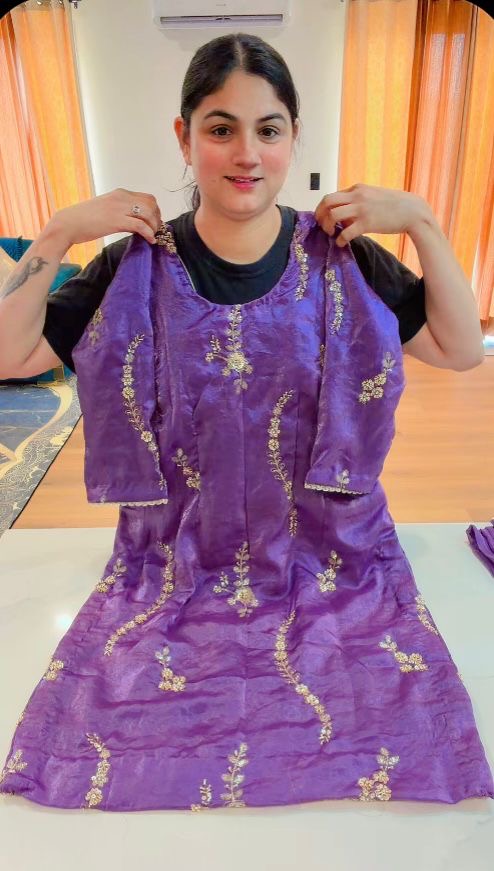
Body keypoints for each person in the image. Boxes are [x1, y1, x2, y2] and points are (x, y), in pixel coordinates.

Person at [0, 33, 490, 811]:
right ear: (184, 136)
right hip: (171, 574)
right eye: (221, 128)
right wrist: (59, 232)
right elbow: (10, 351)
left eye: (268, 129)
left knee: (394, 724)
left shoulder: (345, 257)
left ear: (294, 136)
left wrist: (424, 221)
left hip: (334, 572)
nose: (246, 153)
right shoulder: (134, 265)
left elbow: (461, 349)